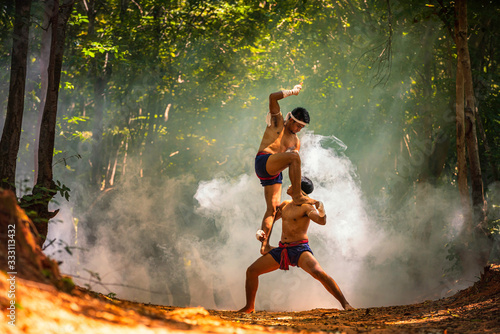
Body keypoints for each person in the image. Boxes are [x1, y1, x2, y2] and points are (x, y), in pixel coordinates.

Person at [238, 177, 354, 313]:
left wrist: (321, 209)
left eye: (292, 184)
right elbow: (270, 219)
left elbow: (322, 221)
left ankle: (345, 303)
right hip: (282, 249)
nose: (288, 186)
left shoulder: (307, 207)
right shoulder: (285, 205)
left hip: (300, 250)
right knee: (251, 271)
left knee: (319, 273)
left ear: (299, 189)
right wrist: (261, 232)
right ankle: (249, 307)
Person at [255, 83, 315, 255]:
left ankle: (264, 245)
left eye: (301, 128)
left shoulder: (296, 141)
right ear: (290, 119)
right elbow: (272, 97)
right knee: (294, 157)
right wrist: (292, 92)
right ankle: (297, 195)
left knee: (273, 210)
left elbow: (292, 168)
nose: (298, 129)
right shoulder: (277, 122)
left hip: (275, 172)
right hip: (264, 161)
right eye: (297, 125)